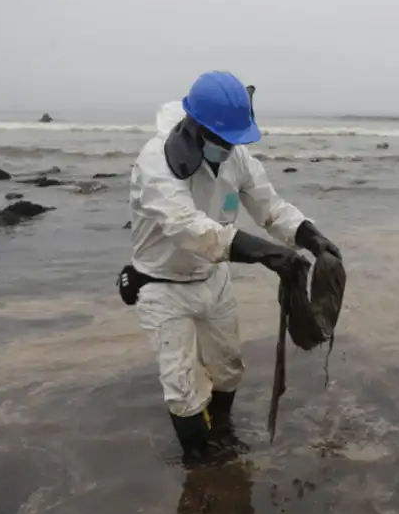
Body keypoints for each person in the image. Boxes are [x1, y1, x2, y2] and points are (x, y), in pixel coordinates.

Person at [126, 70, 341, 464]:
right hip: (162, 285)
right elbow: (190, 229)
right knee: (183, 384)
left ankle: (221, 433)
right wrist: (265, 254)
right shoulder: (155, 163)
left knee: (228, 368)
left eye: (235, 139)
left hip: (213, 278)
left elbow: (270, 207)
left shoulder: (235, 156)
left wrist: (310, 236)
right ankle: (200, 461)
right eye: (223, 139)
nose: (229, 147)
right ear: (196, 126)